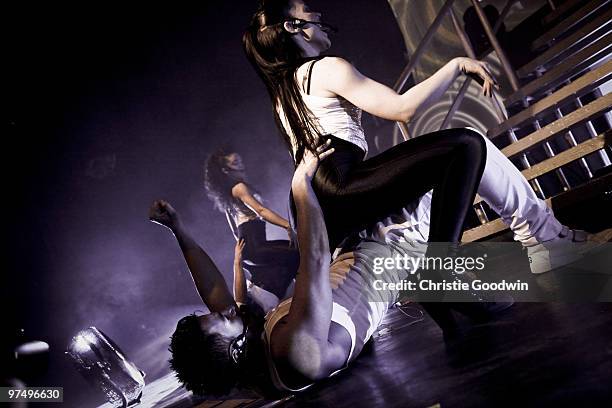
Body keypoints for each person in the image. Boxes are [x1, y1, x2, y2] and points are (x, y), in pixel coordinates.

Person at [242, 0, 591, 273]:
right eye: (308, 11)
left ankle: (543, 238)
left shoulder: (284, 94)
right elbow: (402, 108)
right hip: (347, 184)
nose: (318, 13)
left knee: (463, 151)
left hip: (328, 199)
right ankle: (533, 243)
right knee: (467, 143)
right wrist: (457, 65)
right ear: (294, 27)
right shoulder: (325, 68)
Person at [151, 145, 492, 397]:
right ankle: (447, 267)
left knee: (333, 160)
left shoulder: (246, 363)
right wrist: (302, 184)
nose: (225, 309)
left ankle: (451, 295)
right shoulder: (295, 353)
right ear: (234, 349)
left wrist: (178, 229)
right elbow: (314, 256)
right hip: (396, 243)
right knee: (468, 149)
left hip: (360, 246)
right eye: (223, 319)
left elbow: (212, 289)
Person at [204, 148, 298, 298]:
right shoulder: (239, 188)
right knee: (296, 253)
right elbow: (261, 211)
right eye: (234, 162)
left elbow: (235, 231)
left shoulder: (231, 194)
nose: (239, 162)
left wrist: (244, 253)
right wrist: (288, 225)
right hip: (255, 247)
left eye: (238, 159)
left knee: (286, 264)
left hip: (251, 249)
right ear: (225, 170)